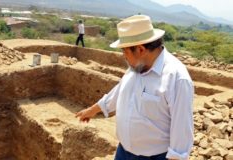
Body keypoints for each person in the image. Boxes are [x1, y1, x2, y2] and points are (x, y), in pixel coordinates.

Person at [76, 15, 194, 160]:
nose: (124, 57)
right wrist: (91, 111)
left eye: (125, 51)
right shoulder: (137, 67)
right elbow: (119, 92)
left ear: (140, 49)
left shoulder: (176, 78)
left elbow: (181, 134)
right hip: (123, 152)